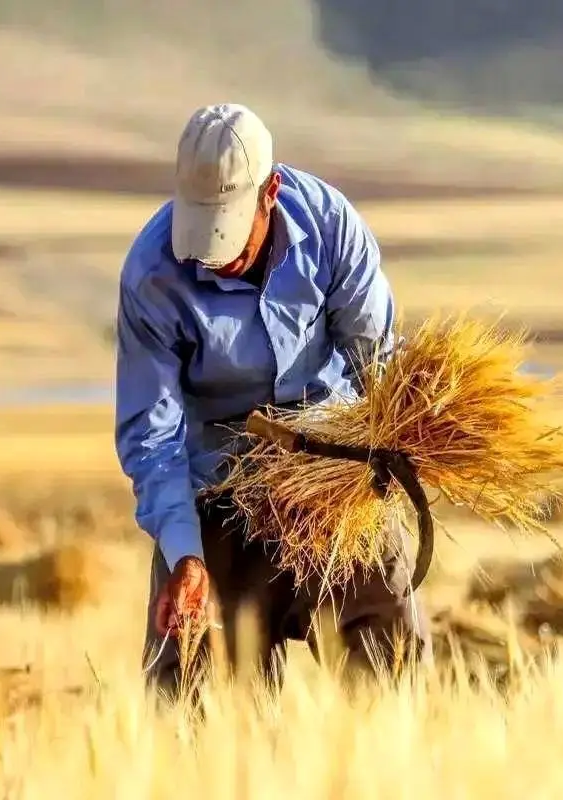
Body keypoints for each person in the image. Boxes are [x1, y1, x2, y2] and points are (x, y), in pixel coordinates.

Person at [113, 102, 433, 702]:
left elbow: (376, 364)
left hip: (332, 474)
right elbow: (152, 435)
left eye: (229, 229)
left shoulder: (331, 227)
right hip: (219, 484)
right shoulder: (151, 275)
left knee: (392, 668)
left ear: (270, 193)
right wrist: (184, 555)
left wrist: (392, 454)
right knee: (191, 689)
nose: (214, 253)